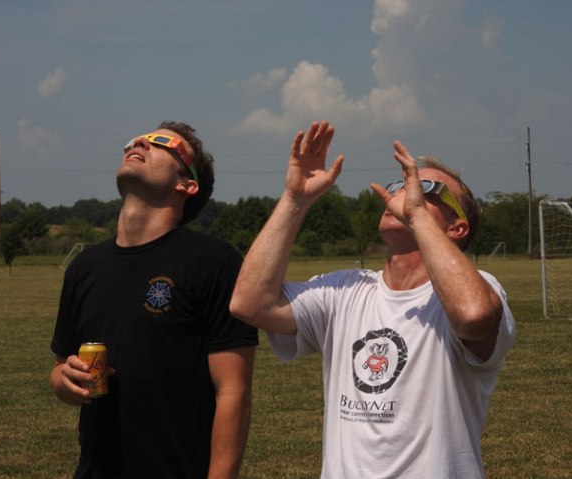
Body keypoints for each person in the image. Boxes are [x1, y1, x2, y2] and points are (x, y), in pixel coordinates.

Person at [230, 121, 515, 478]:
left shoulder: (481, 289)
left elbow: (473, 316)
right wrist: (294, 201)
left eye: (425, 187)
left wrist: (417, 217)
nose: (404, 192)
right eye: (400, 185)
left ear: (456, 228)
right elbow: (249, 303)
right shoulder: (346, 289)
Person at [49, 121, 258, 479]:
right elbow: (59, 369)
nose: (140, 143)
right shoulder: (84, 267)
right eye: (137, 139)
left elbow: (233, 392)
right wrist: (64, 381)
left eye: (160, 142)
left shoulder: (214, 262)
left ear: (186, 184)